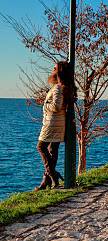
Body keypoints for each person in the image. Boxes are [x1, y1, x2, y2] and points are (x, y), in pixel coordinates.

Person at [35, 61, 77, 191]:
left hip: (52, 123)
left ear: (59, 71)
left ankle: (53, 175)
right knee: (52, 151)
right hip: (58, 124)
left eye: (54, 68)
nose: (52, 70)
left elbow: (56, 106)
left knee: (41, 147)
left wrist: (45, 105)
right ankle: (47, 180)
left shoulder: (58, 87)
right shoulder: (63, 86)